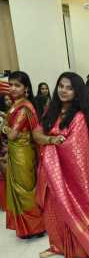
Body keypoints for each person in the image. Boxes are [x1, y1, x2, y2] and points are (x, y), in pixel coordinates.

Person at [33, 72, 89, 258]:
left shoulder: (79, 117)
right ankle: (59, 245)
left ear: (77, 92)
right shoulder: (52, 110)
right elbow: (37, 132)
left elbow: (74, 150)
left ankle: (80, 249)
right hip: (51, 174)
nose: (64, 90)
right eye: (61, 86)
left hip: (71, 176)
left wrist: (51, 141)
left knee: (74, 209)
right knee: (53, 210)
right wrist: (51, 141)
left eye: (69, 88)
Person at [0, 71, 45, 238]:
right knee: (19, 190)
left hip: (23, 153)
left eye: (17, 85)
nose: (12, 88)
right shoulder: (15, 104)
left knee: (25, 189)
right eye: (10, 85)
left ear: (26, 88)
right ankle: (26, 227)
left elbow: (12, 134)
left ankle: (37, 227)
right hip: (15, 151)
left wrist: (2, 126)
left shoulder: (24, 107)